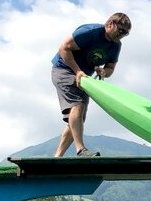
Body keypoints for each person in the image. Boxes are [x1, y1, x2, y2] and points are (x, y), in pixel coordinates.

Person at [51, 12, 131, 157]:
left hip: (84, 78)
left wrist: (103, 72)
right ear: (109, 24)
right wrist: (77, 71)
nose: (122, 34)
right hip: (64, 69)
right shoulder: (91, 32)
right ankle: (80, 149)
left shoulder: (116, 46)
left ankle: (58, 156)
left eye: (126, 33)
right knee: (78, 105)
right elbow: (64, 48)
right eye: (121, 30)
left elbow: (110, 68)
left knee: (78, 118)